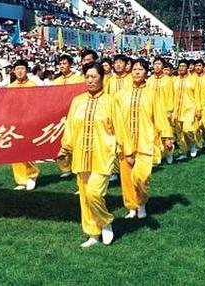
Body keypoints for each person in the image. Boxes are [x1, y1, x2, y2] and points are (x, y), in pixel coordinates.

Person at [58, 62, 134, 248]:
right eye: (88, 77)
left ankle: (106, 220)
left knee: (94, 193)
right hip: (81, 155)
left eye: (94, 77)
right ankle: (93, 233)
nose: (90, 80)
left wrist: (128, 151)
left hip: (103, 155)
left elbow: (121, 128)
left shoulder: (110, 101)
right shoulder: (78, 101)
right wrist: (65, 148)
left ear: (102, 78)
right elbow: (70, 128)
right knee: (84, 197)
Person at [114, 58, 173, 219]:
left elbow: (160, 117)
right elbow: (114, 119)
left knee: (141, 176)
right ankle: (132, 207)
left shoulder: (152, 94)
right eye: (134, 69)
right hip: (125, 143)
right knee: (126, 179)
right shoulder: (120, 95)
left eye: (140, 69)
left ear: (146, 72)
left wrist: (167, 137)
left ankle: (141, 203)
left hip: (145, 141)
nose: (137, 72)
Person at [7, 60, 40, 191]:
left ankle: (32, 175)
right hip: (14, 123)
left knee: (28, 151)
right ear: (14, 71)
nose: (19, 71)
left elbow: (38, 105)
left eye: (22, 68)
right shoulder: (10, 87)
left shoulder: (33, 85)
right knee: (16, 152)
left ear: (27, 70)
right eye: (17, 69)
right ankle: (21, 179)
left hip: (29, 122)